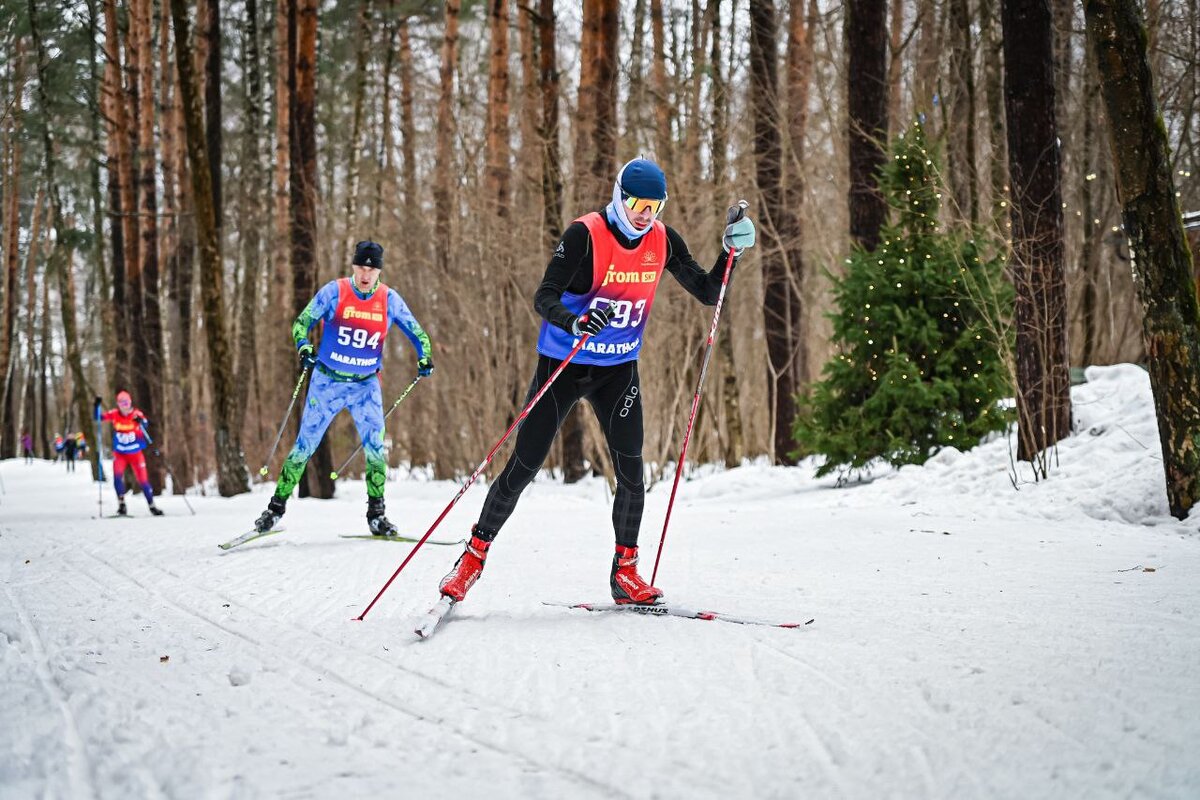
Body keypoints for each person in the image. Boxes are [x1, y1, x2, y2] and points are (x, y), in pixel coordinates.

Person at [437, 157, 756, 606]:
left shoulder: (662, 240)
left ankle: (624, 573)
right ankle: (472, 557)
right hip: (563, 364)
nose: (644, 213)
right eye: (636, 202)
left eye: (654, 205)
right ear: (619, 195)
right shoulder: (585, 235)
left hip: (618, 369)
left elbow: (707, 291)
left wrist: (730, 253)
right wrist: (576, 321)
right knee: (523, 466)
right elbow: (543, 296)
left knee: (632, 473)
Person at [251, 240, 434, 536]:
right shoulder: (335, 292)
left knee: (375, 448)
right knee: (305, 446)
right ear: (353, 266)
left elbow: (417, 332)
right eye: (361, 267)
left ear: (379, 271)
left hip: (365, 386)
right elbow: (301, 323)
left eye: (372, 269)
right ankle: (274, 509)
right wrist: (303, 346)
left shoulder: (389, 299)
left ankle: (377, 514)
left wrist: (425, 356)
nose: (366, 274)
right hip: (327, 382)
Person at [94, 391, 164, 516]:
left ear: (130, 402)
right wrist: (96, 406)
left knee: (143, 480)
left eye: (126, 402)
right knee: (117, 478)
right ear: (118, 404)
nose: (124, 406)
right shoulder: (115, 414)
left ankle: (152, 505)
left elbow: (145, 423)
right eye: (122, 403)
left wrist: (140, 421)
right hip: (120, 453)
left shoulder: (136, 414)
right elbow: (98, 418)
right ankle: (122, 505)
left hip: (136, 454)